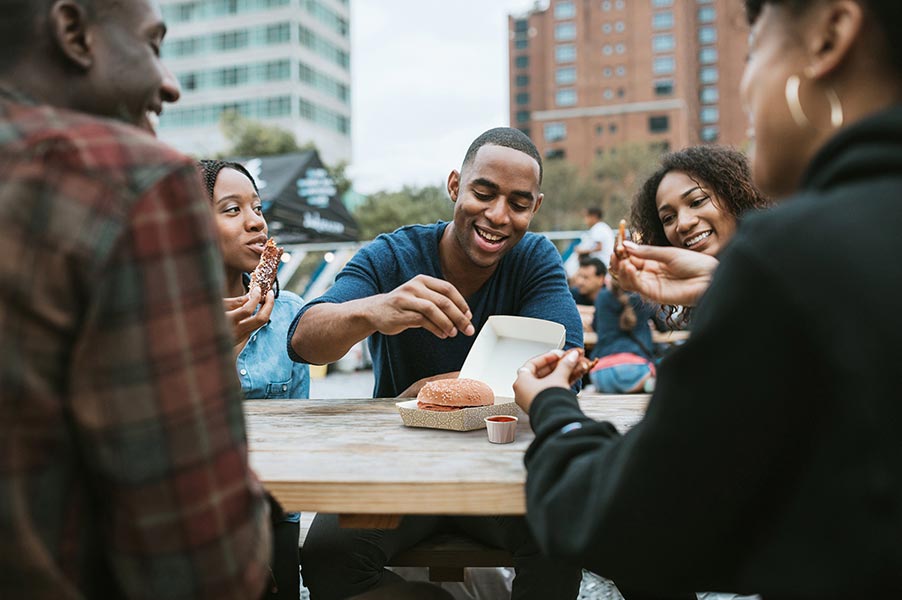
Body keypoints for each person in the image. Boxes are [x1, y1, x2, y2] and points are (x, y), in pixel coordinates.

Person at [514, 0, 902, 597]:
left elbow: (627, 519)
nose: (746, 86)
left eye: (753, 53)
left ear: (830, 35)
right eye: (669, 215)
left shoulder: (787, 257)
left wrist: (554, 409)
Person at [0, 1, 272, 598]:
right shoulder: (131, 184)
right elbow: (200, 555)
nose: (168, 84)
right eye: (152, 45)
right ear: (73, 32)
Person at [289, 127, 584, 600]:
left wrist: (437, 388)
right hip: (400, 466)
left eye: (518, 203)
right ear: (454, 186)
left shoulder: (534, 257)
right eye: (483, 193)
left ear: (535, 207)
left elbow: (565, 360)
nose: (497, 215)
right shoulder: (392, 256)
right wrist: (374, 310)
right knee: (329, 557)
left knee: (559, 538)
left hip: (503, 462)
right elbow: (305, 339)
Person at [199, 159, 311, 599]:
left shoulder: (289, 314)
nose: (255, 223)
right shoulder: (163, 319)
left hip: (275, 516)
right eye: (231, 210)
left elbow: (300, 429)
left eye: (258, 208)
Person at [626, 145, 770, 326]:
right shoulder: (705, 299)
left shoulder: (788, 267)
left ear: (735, 196)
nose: (683, 224)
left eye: (697, 202)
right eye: (669, 218)